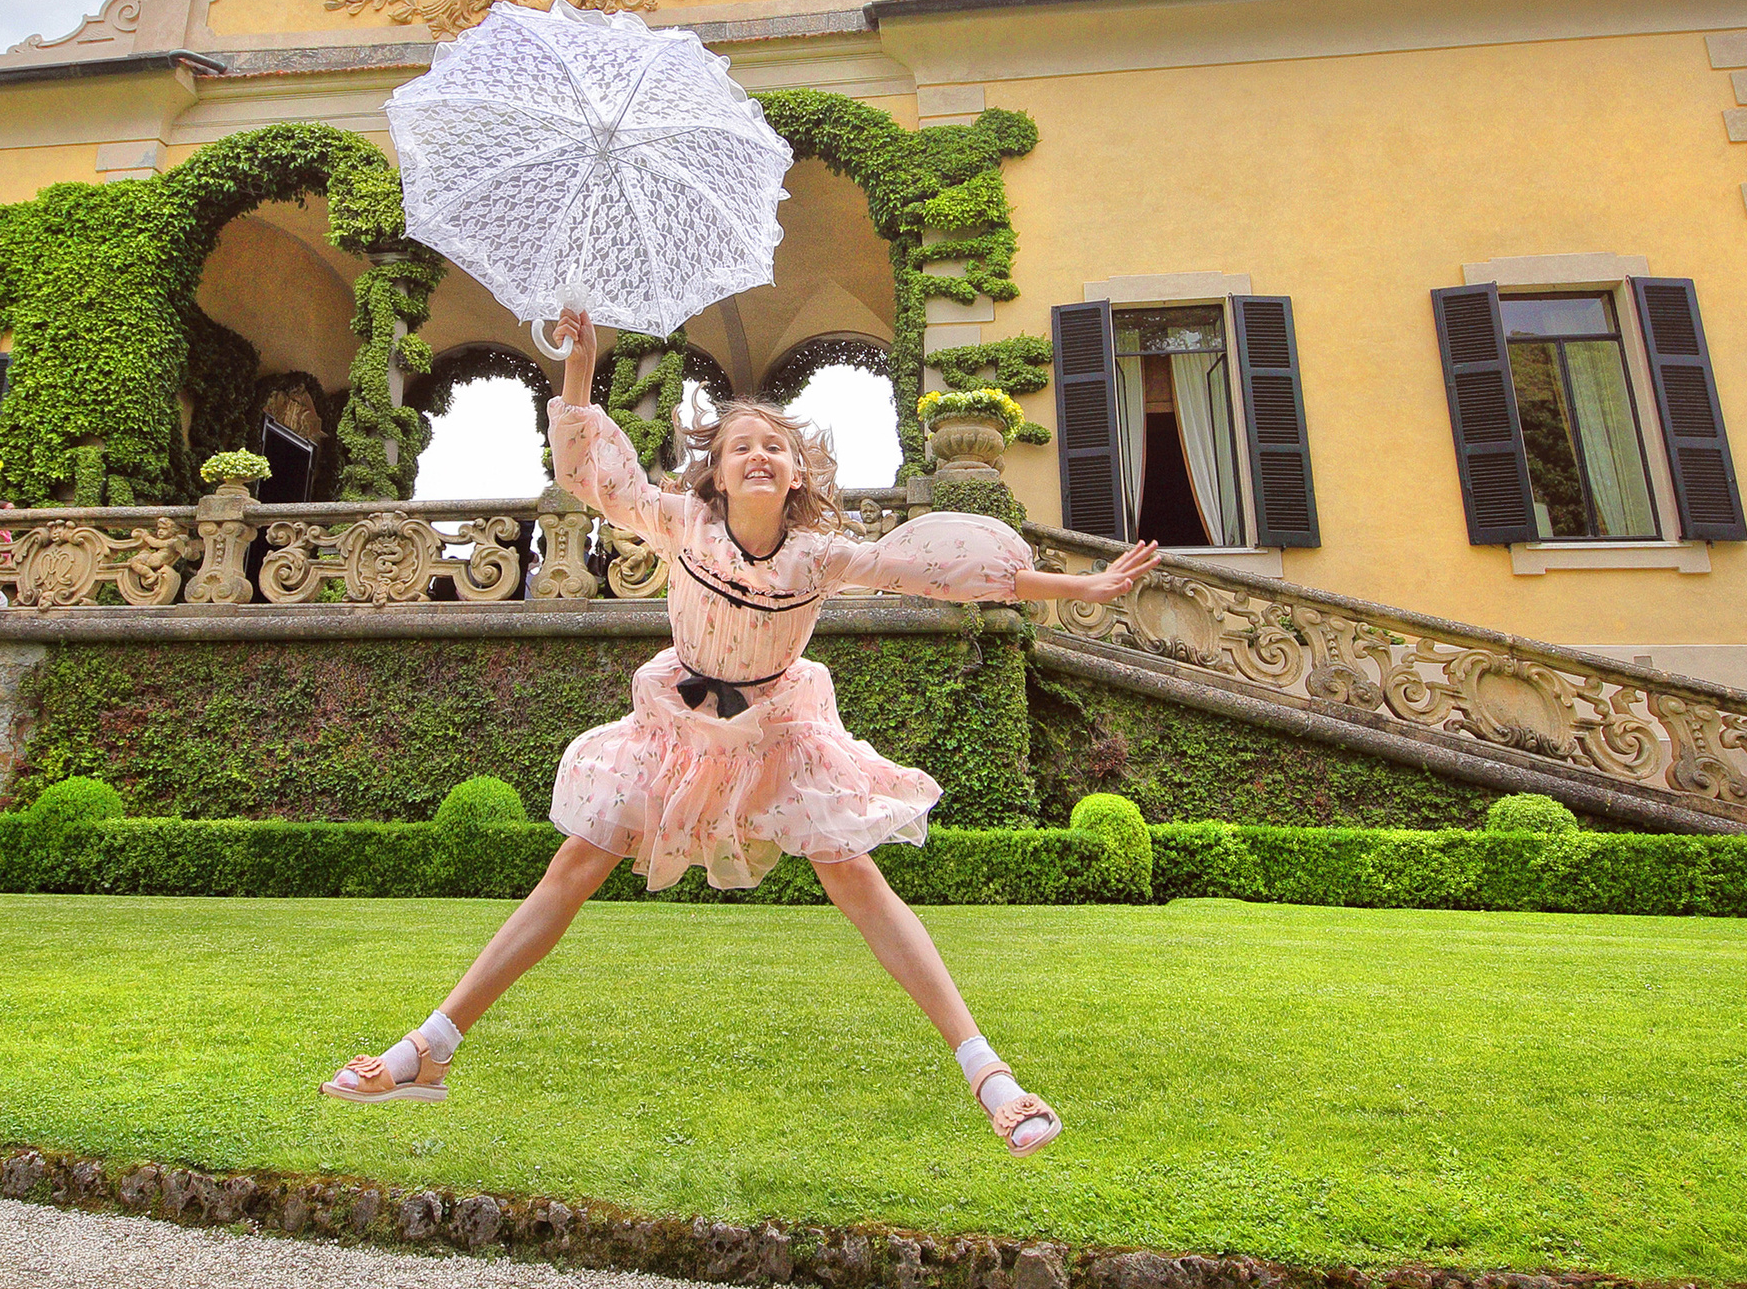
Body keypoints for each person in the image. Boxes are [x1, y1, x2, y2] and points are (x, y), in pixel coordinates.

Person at [324, 310, 1158, 1156]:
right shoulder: (683, 525)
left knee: (858, 881)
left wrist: (1077, 589)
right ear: (716, 475)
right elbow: (592, 474)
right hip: (676, 728)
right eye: (740, 446)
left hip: (777, 735)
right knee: (573, 866)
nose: (759, 454)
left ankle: (989, 1075)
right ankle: (430, 1048)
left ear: (797, 475)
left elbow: (935, 568)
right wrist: (579, 365)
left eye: (776, 447)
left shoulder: (819, 556)